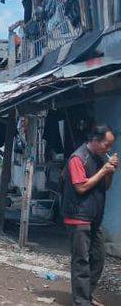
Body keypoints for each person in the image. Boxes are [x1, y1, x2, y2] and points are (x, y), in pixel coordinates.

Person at [62, 125, 117, 306]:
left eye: (110, 146)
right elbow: (81, 187)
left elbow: (105, 186)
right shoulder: (78, 158)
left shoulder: (99, 158)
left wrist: (110, 172)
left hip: (94, 218)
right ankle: (81, 301)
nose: (107, 149)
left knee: (98, 259)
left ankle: (86, 295)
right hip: (78, 217)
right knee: (81, 261)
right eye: (105, 144)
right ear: (94, 139)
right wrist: (103, 171)